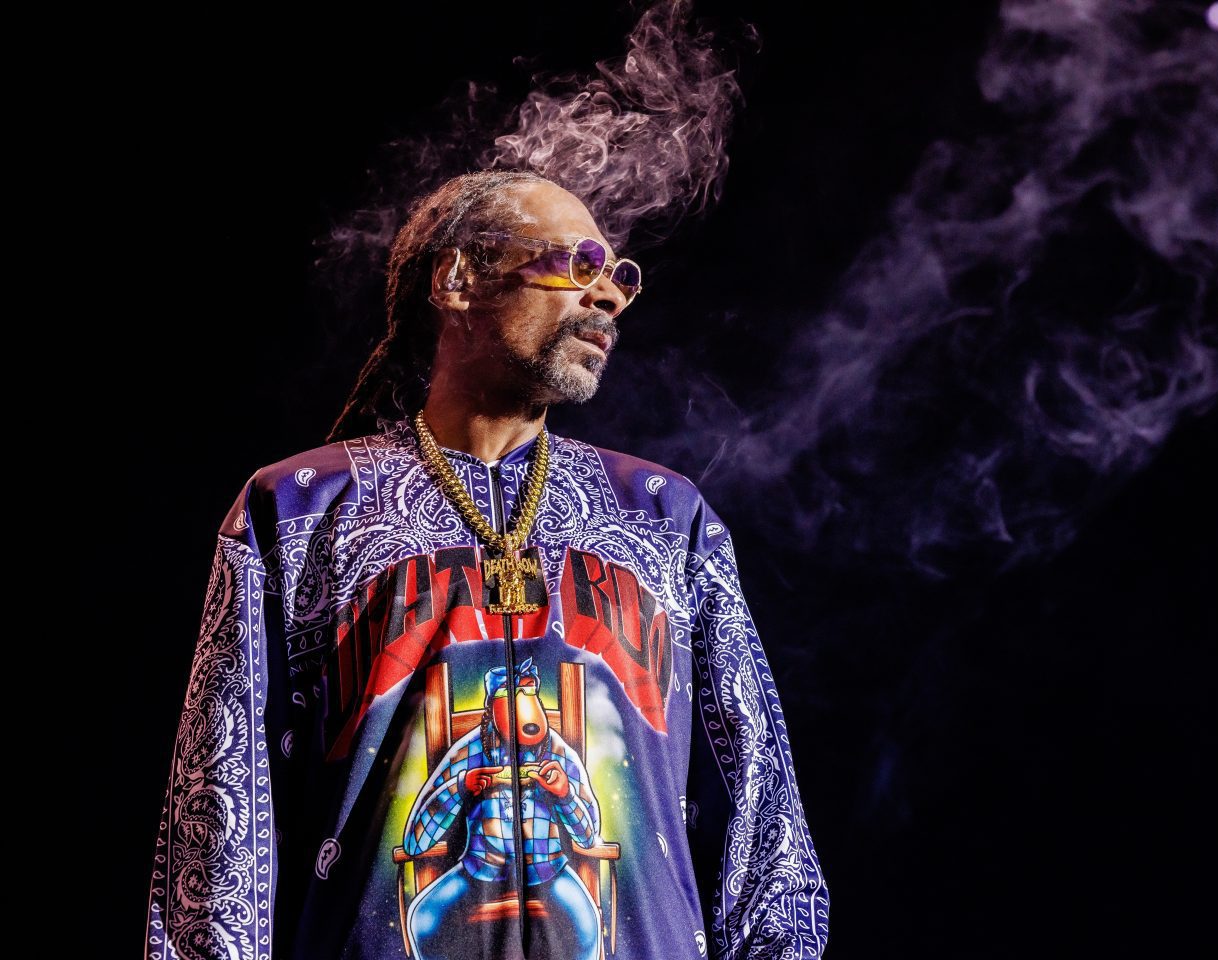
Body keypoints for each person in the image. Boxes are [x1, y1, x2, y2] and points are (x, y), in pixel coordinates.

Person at [143, 169, 830, 960]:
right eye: (579, 263)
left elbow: (761, 819)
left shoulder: (664, 518)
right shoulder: (300, 510)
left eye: (619, 275)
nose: (609, 295)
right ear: (459, 279)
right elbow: (219, 826)